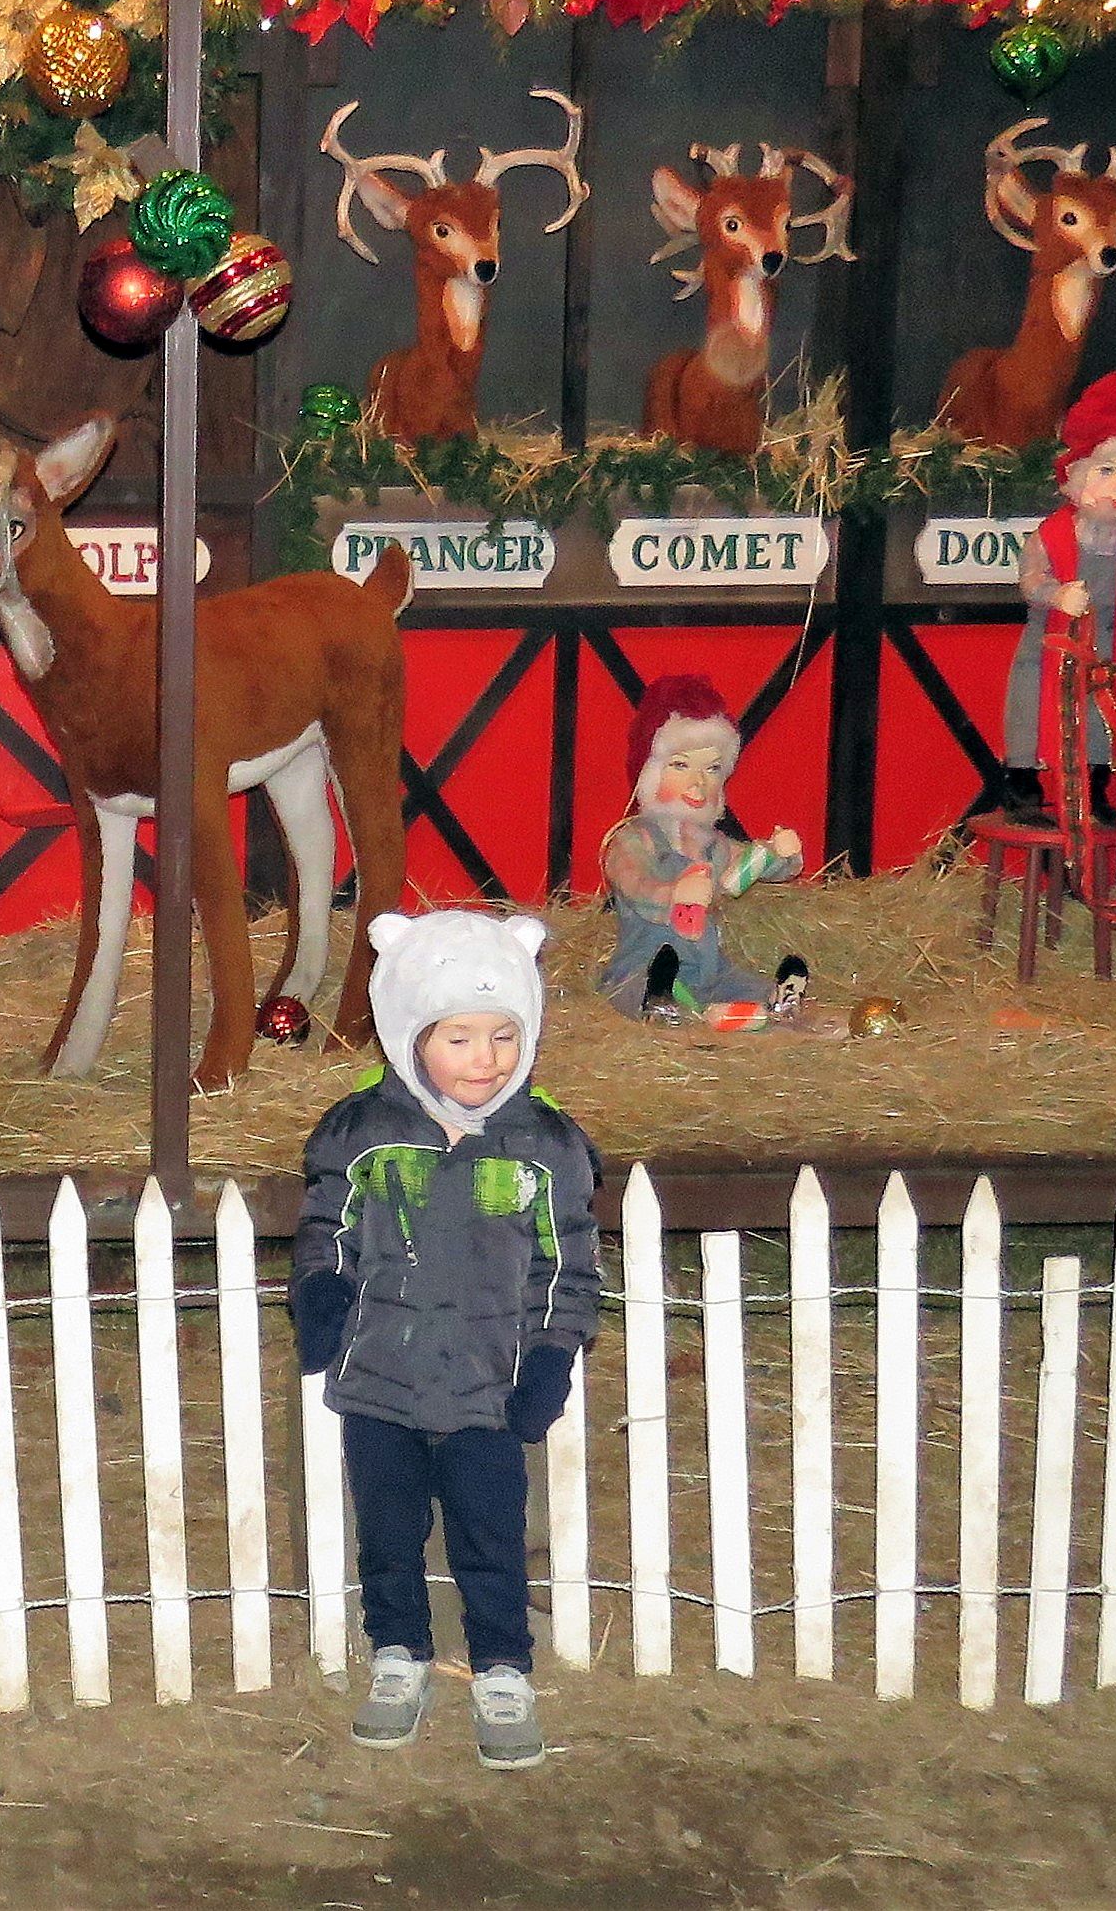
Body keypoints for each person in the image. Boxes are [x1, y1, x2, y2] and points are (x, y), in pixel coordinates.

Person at [289, 910, 602, 1766]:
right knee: (387, 1532)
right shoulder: (363, 1134)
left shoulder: (543, 1146)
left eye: (504, 1034)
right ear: (409, 1034)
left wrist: (551, 1352)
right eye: (458, 1037)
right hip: (379, 1379)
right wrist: (320, 1293)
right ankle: (398, 1653)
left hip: (487, 1387)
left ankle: (503, 1666)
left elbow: (569, 1263)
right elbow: (327, 1226)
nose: (484, 1057)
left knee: (490, 1536)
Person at [999, 371, 1116, 824]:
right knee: (1031, 713)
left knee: (1102, 724)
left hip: (1107, 652)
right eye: (1109, 471)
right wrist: (1056, 594)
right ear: (1079, 475)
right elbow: (1032, 579)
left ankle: (1096, 791)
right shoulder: (1053, 536)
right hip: (1050, 650)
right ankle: (1022, 788)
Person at [598, 673, 807, 1029]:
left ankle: (775, 1001)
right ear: (651, 772)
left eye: (712, 769)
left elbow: (749, 865)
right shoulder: (634, 839)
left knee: (736, 983)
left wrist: (780, 855)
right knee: (636, 988)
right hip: (647, 963)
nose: (698, 782)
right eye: (681, 765)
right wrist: (673, 894)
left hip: (708, 967)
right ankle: (665, 1002)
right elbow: (634, 884)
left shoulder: (711, 844)